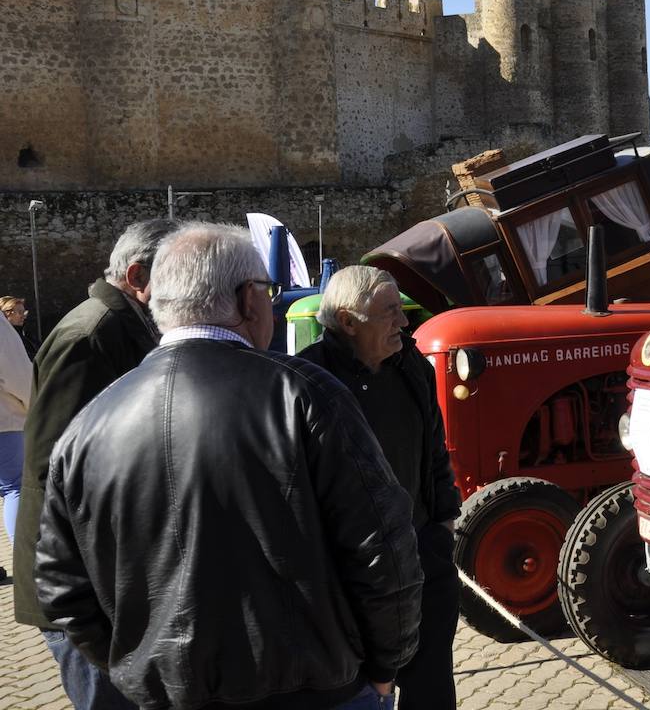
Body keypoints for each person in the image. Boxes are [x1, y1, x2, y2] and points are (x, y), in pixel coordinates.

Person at [33, 223, 423, 710]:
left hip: (166, 695)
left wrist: (135, 671)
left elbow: (60, 587)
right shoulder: (306, 393)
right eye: (268, 289)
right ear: (247, 300)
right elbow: (383, 547)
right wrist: (386, 667)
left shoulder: (90, 423)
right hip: (314, 691)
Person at [13, 218, 177, 710]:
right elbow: (52, 472)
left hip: (106, 585)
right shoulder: (91, 335)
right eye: (176, 275)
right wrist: (77, 596)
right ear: (137, 277)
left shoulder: (123, 326)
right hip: (84, 593)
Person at [298, 265, 461, 710]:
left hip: (422, 558)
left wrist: (444, 525)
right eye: (390, 312)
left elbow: (434, 453)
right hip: (348, 579)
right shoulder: (306, 381)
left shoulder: (413, 369)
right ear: (348, 322)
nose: (404, 322)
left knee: (431, 690)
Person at [0, 316, 32, 583]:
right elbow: (17, 373)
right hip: (4, 421)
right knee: (15, 487)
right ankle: (27, 564)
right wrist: (35, 404)